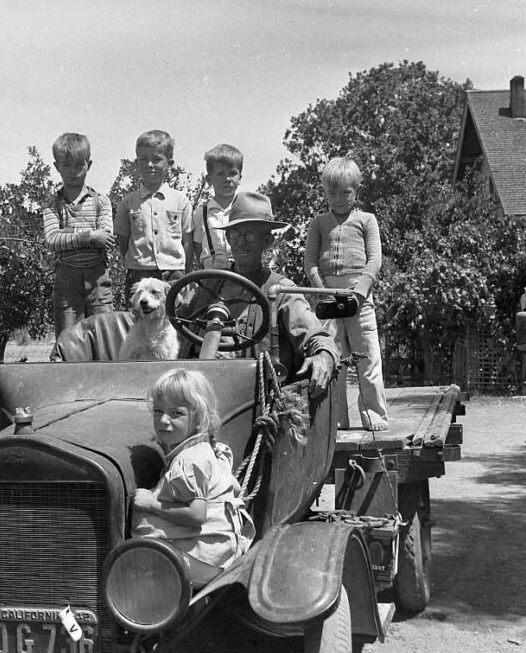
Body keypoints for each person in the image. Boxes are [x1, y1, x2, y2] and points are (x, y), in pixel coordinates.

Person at [178, 191, 339, 397]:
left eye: (250, 235)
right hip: (195, 392)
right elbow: (174, 319)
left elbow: (314, 335)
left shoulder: (281, 291)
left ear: (267, 241)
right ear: (227, 238)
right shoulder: (208, 285)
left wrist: (323, 356)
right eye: (234, 235)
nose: (240, 242)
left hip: (252, 398)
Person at [131, 368, 255, 586]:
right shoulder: (203, 449)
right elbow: (232, 488)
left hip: (198, 559)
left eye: (176, 413)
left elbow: (196, 515)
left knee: (130, 576)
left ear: (198, 418)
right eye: (158, 411)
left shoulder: (188, 461)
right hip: (213, 554)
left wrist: (152, 504)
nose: (163, 420)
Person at [303, 157, 389, 430]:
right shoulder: (318, 223)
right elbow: (310, 262)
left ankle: (374, 414)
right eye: (332, 192)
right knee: (333, 357)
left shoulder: (367, 220)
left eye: (345, 192)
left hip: (359, 300)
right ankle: (336, 419)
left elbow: (375, 260)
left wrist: (360, 292)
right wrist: (324, 291)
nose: (338, 198)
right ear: (324, 192)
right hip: (329, 299)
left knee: (368, 357)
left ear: (357, 191)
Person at [42, 132, 114, 339]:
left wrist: (68, 235)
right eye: (66, 165)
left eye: (79, 165)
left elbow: (106, 238)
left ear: (88, 164)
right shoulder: (51, 203)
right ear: (56, 166)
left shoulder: (101, 201)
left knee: (104, 336)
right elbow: (52, 240)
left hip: (98, 278)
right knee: (67, 339)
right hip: (66, 278)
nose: (73, 171)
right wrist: (89, 236)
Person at [114, 129, 193, 304]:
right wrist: (138, 263)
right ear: (137, 163)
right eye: (144, 159)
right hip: (139, 273)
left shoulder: (181, 201)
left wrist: (182, 271)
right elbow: (123, 240)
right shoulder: (129, 202)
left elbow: (187, 240)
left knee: (175, 320)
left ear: (169, 163)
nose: (149, 164)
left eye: (156, 159)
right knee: (138, 322)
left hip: (173, 273)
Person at [186, 143, 243, 272]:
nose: (227, 179)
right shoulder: (200, 214)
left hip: (241, 272)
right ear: (209, 179)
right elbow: (198, 246)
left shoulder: (244, 210)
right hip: (212, 273)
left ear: (240, 178)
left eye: (232, 173)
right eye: (221, 174)